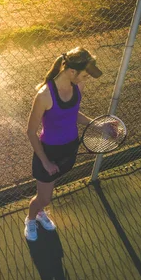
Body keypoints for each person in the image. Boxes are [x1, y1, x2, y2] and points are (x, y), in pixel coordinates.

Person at [25, 46, 103, 241]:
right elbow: (30, 131)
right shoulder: (44, 95)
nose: (86, 80)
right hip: (49, 153)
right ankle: (31, 218)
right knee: (44, 197)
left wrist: (98, 126)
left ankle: (40, 211)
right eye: (84, 75)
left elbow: (71, 113)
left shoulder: (78, 86)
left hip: (70, 147)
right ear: (71, 71)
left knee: (47, 193)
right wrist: (45, 162)